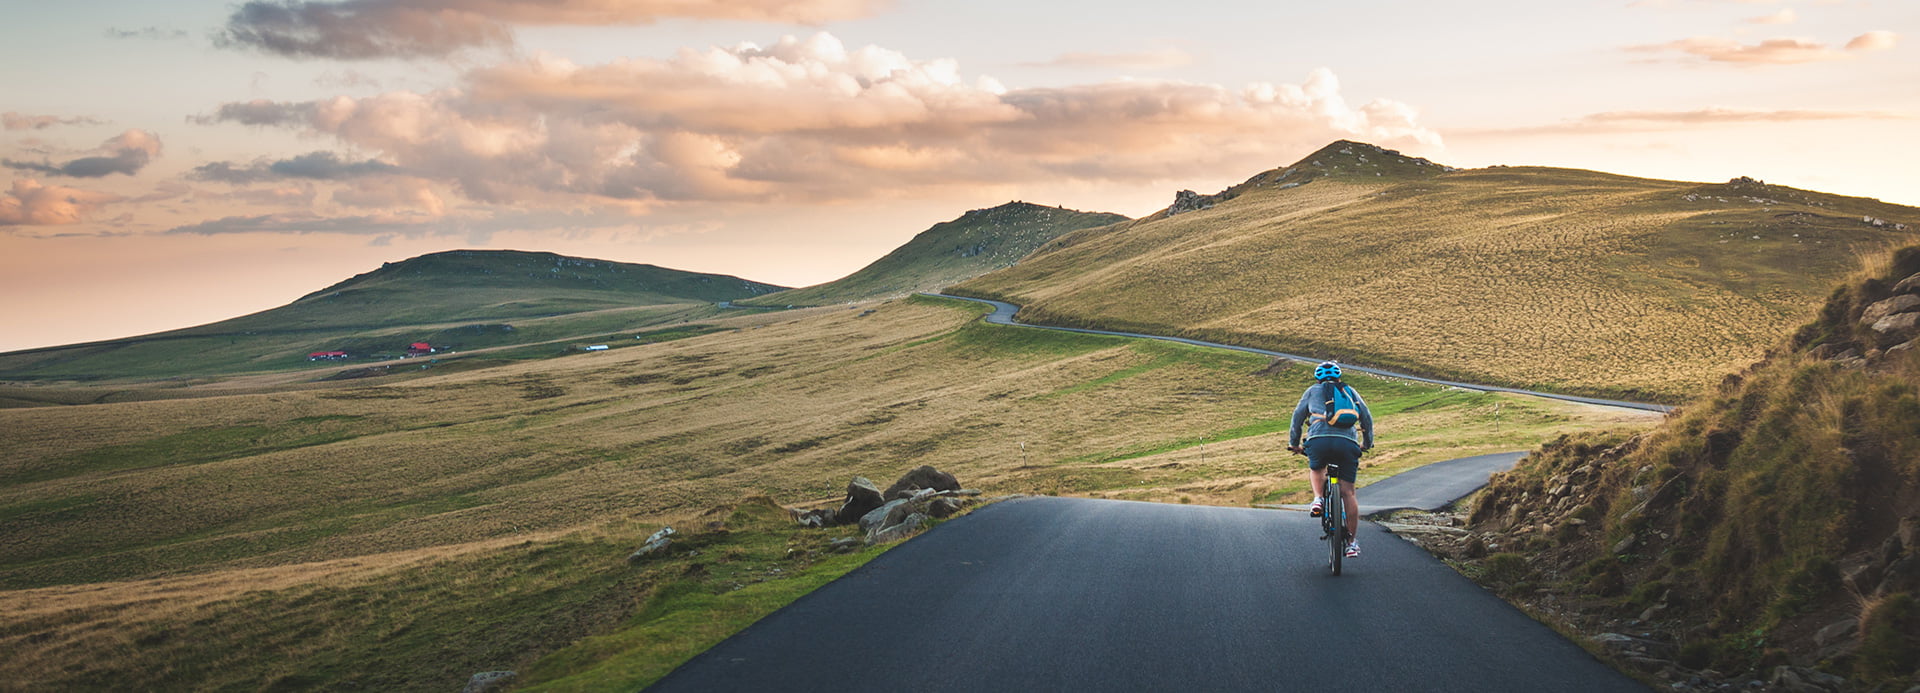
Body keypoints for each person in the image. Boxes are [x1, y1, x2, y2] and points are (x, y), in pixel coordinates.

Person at [1287, 361, 1374, 558]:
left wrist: (1294, 444)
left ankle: (1318, 499)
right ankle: (1351, 543)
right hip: (1347, 443)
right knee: (1348, 493)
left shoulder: (1312, 391)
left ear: (1317, 378)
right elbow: (1366, 418)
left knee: (1317, 468)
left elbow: (1297, 418)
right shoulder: (1350, 391)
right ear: (1339, 377)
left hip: (1319, 440)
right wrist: (1367, 444)